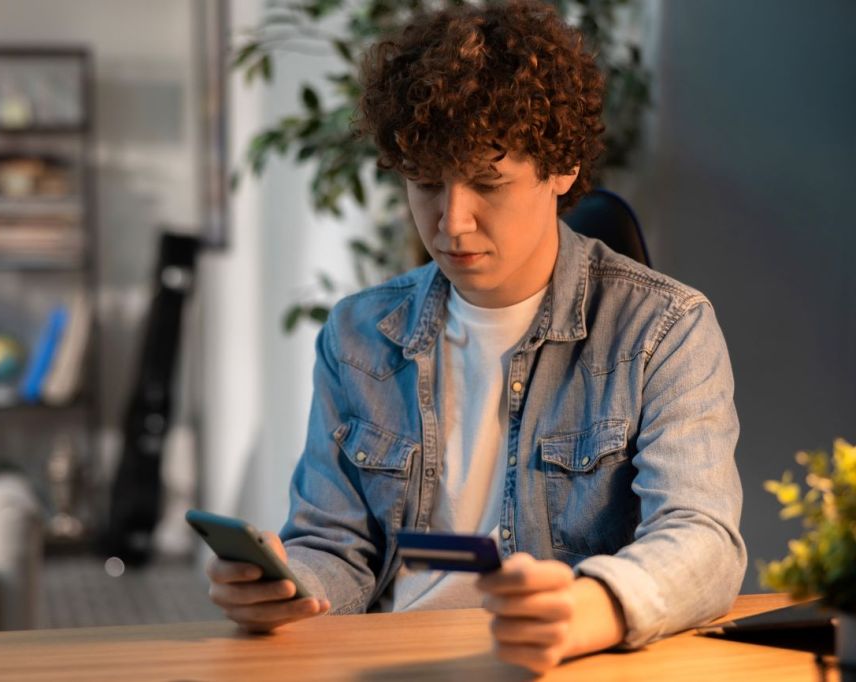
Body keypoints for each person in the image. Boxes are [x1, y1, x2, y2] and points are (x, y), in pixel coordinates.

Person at [205, 0, 745, 672]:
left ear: (562, 169)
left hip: (563, 664)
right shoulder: (359, 334)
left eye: (488, 184)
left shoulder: (664, 329)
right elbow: (337, 548)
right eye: (427, 183)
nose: (451, 222)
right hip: (392, 662)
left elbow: (704, 538)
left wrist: (595, 605)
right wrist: (292, 587)